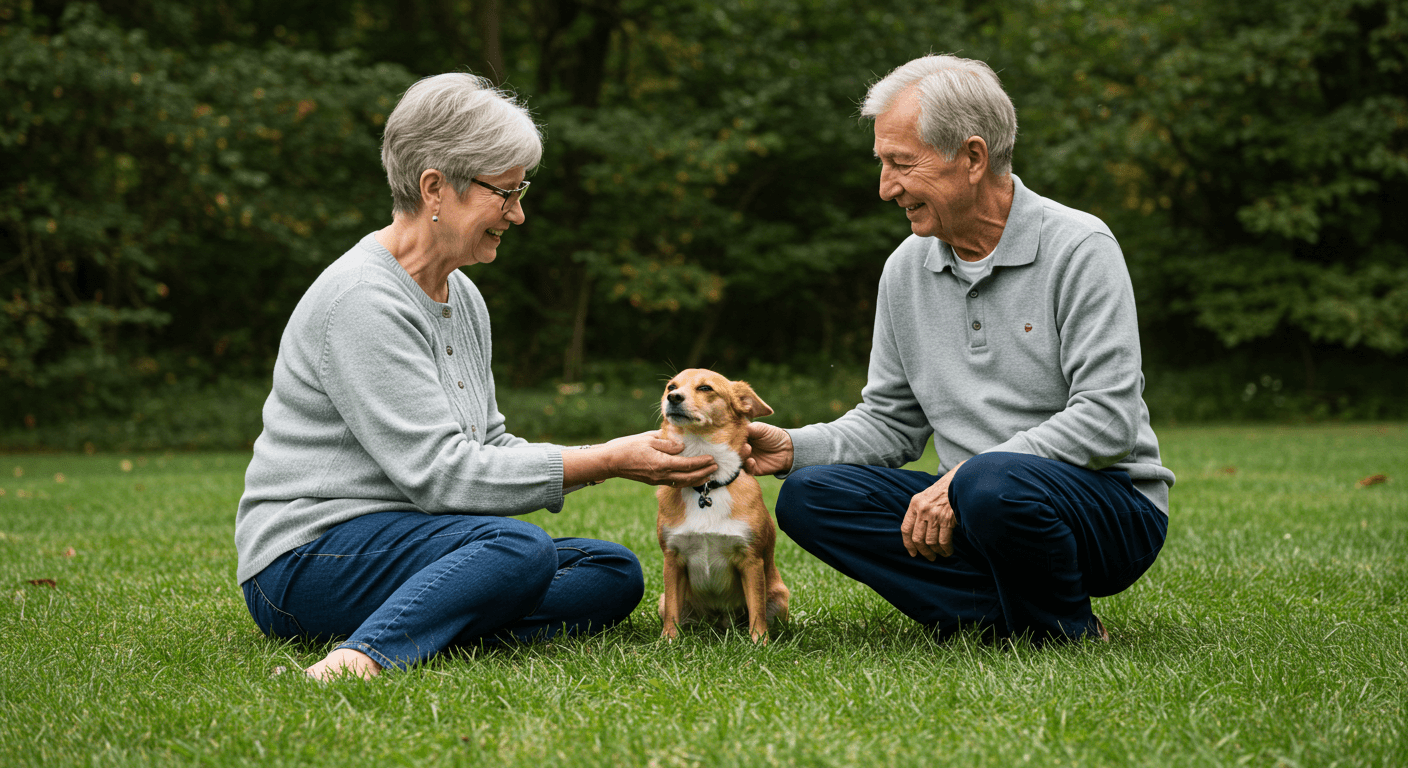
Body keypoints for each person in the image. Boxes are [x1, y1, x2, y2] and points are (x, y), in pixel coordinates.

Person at [235, 73, 719, 680]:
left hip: (414, 541)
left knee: (611, 571)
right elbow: (442, 476)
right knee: (518, 549)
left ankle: (443, 620)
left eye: (522, 191)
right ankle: (363, 656)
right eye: (506, 193)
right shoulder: (361, 300)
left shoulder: (460, 294)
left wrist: (618, 452)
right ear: (434, 188)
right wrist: (606, 460)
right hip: (307, 560)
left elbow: (486, 445)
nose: (518, 214)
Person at [743, 55, 1176, 643]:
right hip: (967, 503)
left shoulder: (1080, 247)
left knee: (991, 485)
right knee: (810, 496)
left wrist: (969, 475)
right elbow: (891, 422)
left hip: (1104, 504)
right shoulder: (905, 268)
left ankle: (1059, 627)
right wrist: (793, 447)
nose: (885, 188)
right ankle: (1003, 616)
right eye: (882, 164)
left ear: (972, 158)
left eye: (902, 164)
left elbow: (1108, 420)